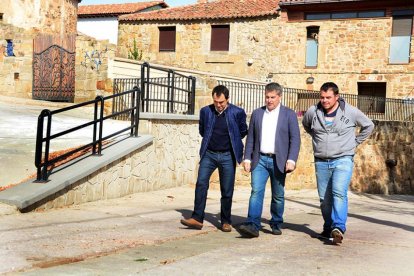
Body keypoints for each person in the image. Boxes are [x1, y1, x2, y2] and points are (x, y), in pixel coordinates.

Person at [302, 82, 374, 245]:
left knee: (338, 193)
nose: (325, 100)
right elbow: (306, 125)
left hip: (343, 159)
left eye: (328, 97)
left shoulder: (350, 111)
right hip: (321, 161)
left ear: (337, 97)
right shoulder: (313, 111)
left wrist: (355, 142)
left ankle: (338, 227)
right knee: (324, 199)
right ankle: (328, 228)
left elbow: (369, 126)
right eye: (322, 97)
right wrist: (319, 140)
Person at [180, 85, 248, 232]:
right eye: (216, 101)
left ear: (227, 100)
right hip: (209, 154)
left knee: (227, 189)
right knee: (201, 183)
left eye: (221, 102)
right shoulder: (205, 111)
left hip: (227, 155)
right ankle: (197, 218)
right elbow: (202, 131)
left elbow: (243, 131)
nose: (218, 105)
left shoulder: (237, 112)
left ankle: (226, 221)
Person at [239, 82, 301, 238]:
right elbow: (251, 137)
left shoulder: (289, 114)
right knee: (256, 192)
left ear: (279, 97)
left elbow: (295, 139)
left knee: (278, 195)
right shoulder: (257, 114)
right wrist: (247, 158)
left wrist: (291, 159)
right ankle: (253, 224)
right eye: (267, 97)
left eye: (273, 97)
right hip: (259, 159)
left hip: (278, 161)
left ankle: (276, 222)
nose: (269, 100)